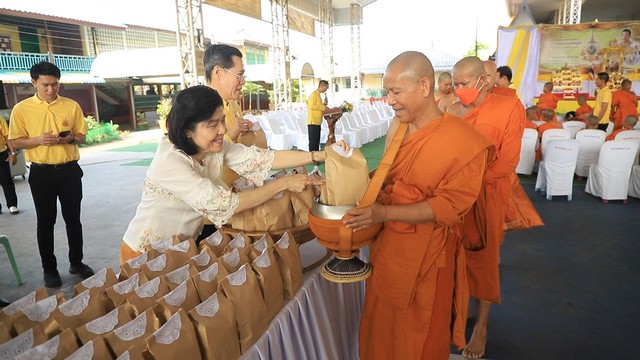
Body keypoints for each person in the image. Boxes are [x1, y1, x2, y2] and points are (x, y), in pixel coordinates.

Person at [344, 51, 494, 360]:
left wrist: (384, 212)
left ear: (424, 87)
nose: (389, 100)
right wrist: (346, 171)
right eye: (387, 92)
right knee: (381, 328)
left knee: (420, 335)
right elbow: (384, 180)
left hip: (429, 259)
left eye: (396, 92)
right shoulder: (397, 128)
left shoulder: (464, 141)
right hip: (387, 251)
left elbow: (449, 207)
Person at [120, 86, 347, 262]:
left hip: (181, 248)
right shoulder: (170, 161)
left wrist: (320, 155)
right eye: (212, 124)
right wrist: (283, 184)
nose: (222, 130)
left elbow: (264, 158)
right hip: (144, 253)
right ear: (187, 131)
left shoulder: (209, 148)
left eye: (222, 121)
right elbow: (226, 203)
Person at [449, 56, 525, 359]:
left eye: (462, 84)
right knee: (455, 254)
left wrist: (471, 183)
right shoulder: (453, 109)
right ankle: (463, 308)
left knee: (484, 259)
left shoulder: (508, 108)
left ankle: (481, 328)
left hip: (489, 193)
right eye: (454, 84)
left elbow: (508, 161)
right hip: (456, 195)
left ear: (483, 81)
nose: (457, 90)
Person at [9, 61, 94, 288]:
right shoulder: (22, 109)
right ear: (34, 82)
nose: (50, 90)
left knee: (73, 220)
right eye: (45, 85)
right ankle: (50, 269)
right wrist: (38, 140)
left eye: (55, 85)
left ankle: (76, 262)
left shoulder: (71, 105)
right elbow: (15, 140)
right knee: (45, 222)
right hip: (42, 173)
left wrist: (69, 138)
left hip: (69, 171)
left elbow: (81, 136)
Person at [0, 114, 19, 215]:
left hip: (1, 153)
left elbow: (7, 136)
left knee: (6, 179)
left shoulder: (0, 118)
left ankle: (12, 204)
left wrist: (13, 152)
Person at [306, 80, 330, 151]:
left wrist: (324, 105)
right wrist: (323, 107)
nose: (326, 90)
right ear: (322, 86)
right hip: (312, 121)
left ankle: (316, 157)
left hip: (317, 121)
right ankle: (312, 157)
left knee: (316, 141)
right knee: (313, 142)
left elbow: (318, 106)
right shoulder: (313, 94)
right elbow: (311, 106)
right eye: (326, 88)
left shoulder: (318, 95)